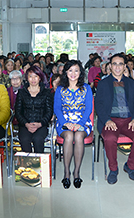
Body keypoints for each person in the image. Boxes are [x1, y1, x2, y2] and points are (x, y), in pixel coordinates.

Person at [95, 53, 134, 184]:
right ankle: (113, 169)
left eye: (120, 64)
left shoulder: (131, 83)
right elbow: (98, 104)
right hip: (110, 120)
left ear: (125, 67)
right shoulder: (103, 83)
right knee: (110, 138)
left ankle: (130, 166)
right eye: (114, 64)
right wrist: (107, 120)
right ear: (110, 66)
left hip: (129, 120)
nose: (117, 67)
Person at [54, 60, 93, 189]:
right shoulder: (60, 89)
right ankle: (66, 173)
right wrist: (66, 123)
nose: (73, 73)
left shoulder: (86, 88)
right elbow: (57, 109)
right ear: (65, 72)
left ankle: (76, 172)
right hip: (64, 120)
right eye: (70, 70)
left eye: (76, 70)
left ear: (80, 72)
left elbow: (88, 109)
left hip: (83, 120)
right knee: (69, 136)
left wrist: (80, 123)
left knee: (78, 136)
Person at [15, 67, 53, 153]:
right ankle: (28, 164)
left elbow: (49, 112)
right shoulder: (21, 92)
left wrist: (40, 124)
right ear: (27, 78)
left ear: (40, 78)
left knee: (38, 139)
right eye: (30, 76)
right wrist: (26, 124)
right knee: (24, 139)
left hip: (41, 125)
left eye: (35, 76)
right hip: (25, 125)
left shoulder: (46, 92)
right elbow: (18, 112)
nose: (33, 79)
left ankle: (39, 164)